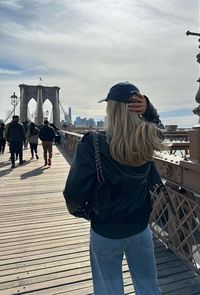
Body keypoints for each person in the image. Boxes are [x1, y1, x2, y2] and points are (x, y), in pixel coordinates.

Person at [64, 82, 165, 295]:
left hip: (106, 231)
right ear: (137, 108)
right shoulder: (147, 138)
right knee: (148, 288)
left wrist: (91, 214)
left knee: (108, 290)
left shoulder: (93, 143)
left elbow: (73, 193)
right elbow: (160, 130)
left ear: (111, 109)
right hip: (140, 229)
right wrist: (149, 110)